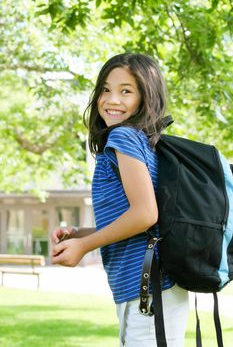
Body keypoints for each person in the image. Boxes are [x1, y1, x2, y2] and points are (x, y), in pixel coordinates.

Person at [51, 53, 189, 347]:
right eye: (105, 89)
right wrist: (81, 234)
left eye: (126, 91)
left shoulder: (124, 137)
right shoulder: (142, 140)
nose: (112, 99)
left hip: (148, 288)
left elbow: (145, 214)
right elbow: (140, 220)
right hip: (151, 288)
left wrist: (84, 246)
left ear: (145, 97)